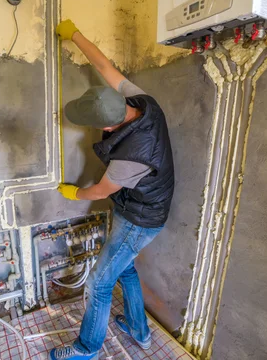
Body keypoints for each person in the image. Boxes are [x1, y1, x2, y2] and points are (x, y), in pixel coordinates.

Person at [51, 19, 175, 360]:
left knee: (99, 282)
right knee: (126, 267)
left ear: (107, 125)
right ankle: (139, 330)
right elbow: (104, 65)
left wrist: (74, 193)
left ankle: (86, 349)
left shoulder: (132, 157)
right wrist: (75, 34)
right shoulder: (140, 102)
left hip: (140, 219)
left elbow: (102, 190)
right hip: (140, 208)